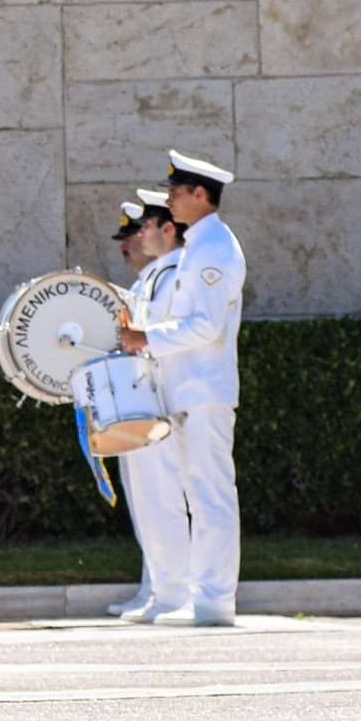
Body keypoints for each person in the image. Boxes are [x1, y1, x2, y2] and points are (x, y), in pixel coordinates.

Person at [119, 153, 245, 626]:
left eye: (176, 192)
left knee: (210, 494)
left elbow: (206, 326)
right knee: (197, 493)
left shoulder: (214, 249)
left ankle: (214, 599)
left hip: (205, 388)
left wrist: (146, 338)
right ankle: (202, 595)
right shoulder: (199, 246)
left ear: (199, 195)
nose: (169, 199)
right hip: (188, 387)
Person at [106, 194, 187, 623]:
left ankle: (174, 591)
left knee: (163, 496)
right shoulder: (150, 279)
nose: (133, 241)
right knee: (145, 498)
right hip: (142, 397)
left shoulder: (175, 273)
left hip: (161, 398)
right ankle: (156, 586)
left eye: (139, 230)